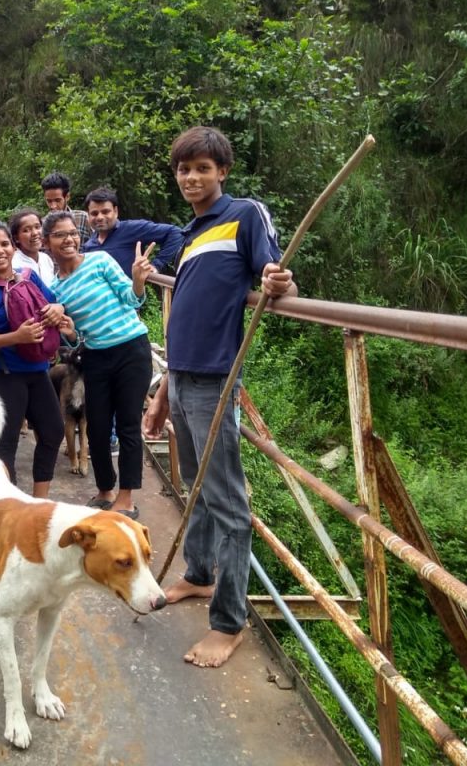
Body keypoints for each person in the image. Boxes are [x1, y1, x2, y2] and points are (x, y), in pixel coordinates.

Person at [142, 125, 297, 669]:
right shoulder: (190, 233)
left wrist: (278, 281)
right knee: (196, 487)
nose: (192, 177)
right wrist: (162, 391)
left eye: (202, 168)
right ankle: (199, 575)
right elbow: (185, 317)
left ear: (222, 172)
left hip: (214, 379)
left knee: (229, 503)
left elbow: (278, 280)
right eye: (184, 169)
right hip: (182, 376)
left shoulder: (244, 214)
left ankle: (228, 624)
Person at [44, 210, 154, 519]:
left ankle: (126, 498)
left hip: (132, 349)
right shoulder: (56, 289)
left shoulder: (100, 261)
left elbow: (132, 301)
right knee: (99, 427)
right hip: (96, 356)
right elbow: (79, 332)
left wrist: (137, 281)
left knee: (129, 424)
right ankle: (105, 489)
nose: (69, 239)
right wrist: (70, 331)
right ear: (47, 243)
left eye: (72, 234)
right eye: (60, 235)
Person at [0, 220, 66, 498]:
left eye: (4, 244)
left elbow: (53, 302)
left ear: (13, 246)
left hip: (37, 370)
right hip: (3, 374)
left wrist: (58, 308)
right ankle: (8, 504)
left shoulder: (28, 276)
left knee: (52, 431)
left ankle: (39, 501)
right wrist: (17, 337)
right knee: (5, 442)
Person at [82, 186, 184, 275]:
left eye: (105, 212)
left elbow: (175, 233)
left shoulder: (131, 229)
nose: (99, 217)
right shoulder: (89, 246)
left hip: (131, 296)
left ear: (115, 211)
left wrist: (157, 265)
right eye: (94, 213)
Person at [40, 171, 92, 243]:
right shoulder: (42, 224)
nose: (53, 206)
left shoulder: (83, 218)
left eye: (57, 200)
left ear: (67, 197)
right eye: (49, 201)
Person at [8, 208, 55, 285]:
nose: (35, 233)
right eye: (26, 230)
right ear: (16, 238)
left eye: (37, 227)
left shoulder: (46, 259)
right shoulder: (14, 265)